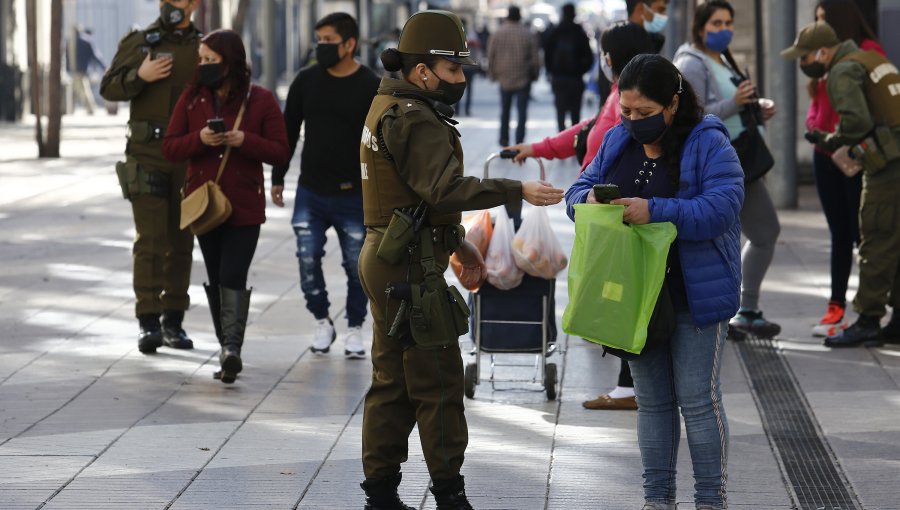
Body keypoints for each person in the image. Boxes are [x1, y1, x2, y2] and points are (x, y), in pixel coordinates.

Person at [358, 10, 564, 510]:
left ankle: (381, 493)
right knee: (440, 382)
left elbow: (418, 199)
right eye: (453, 70)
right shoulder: (412, 117)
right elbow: (444, 188)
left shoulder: (389, 104)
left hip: (389, 256)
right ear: (423, 70)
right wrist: (516, 189)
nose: (460, 79)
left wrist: (457, 242)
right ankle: (450, 496)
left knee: (392, 381)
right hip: (408, 266)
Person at [566, 54, 743, 510]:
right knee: (652, 401)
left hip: (692, 293)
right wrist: (591, 200)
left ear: (673, 103)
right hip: (635, 296)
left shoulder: (707, 140)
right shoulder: (617, 139)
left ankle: (710, 501)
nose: (632, 121)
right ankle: (657, 500)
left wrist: (656, 210)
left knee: (697, 400)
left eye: (644, 113)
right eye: (626, 111)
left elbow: (722, 208)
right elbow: (576, 191)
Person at [508, 23, 653, 412]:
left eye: (604, 52)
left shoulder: (632, 100)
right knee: (617, 292)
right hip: (600, 212)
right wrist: (534, 147)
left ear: (612, 57)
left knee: (623, 293)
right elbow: (583, 133)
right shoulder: (615, 97)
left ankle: (632, 386)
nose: (601, 59)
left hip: (620, 214)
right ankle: (631, 383)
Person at [162, 29, 289, 382]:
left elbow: (281, 150)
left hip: (245, 205)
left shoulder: (260, 100)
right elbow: (170, 147)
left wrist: (244, 140)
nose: (202, 65)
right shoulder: (191, 99)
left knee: (233, 275)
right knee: (217, 276)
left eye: (210, 60)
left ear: (230, 62)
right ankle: (226, 348)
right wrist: (199, 139)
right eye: (200, 59)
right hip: (205, 205)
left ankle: (231, 348)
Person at [783, 22, 900, 348]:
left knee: (875, 239)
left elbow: (857, 123)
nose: (804, 65)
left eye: (804, 58)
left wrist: (831, 140)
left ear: (823, 52)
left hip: (889, 167)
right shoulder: (871, 60)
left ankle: (868, 320)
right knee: (896, 238)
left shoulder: (841, 72)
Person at [271, 13, 380, 360]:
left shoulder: (370, 85)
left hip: (354, 193)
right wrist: (277, 176)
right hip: (311, 190)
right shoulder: (305, 81)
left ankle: (354, 328)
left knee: (356, 265)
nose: (321, 46)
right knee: (306, 257)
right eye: (318, 40)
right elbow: (288, 131)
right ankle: (322, 319)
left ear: (349, 44)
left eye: (328, 40)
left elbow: (382, 140)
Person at [674, 0, 781, 342]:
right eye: (716, 23)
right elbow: (694, 114)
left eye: (728, 22)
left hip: (742, 157)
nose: (724, 29)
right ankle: (741, 310)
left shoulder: (721, 57)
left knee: (742, 235)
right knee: (764, 232)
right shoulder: (691, 62)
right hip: (725, 164)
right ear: (700, 26)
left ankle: (738, 310)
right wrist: (736, 102)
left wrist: (755, 108)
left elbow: (730, 106)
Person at [100, 0, 201, 355]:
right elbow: (108, 87)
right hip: (147, 153)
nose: (171, 5)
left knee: (182, 240)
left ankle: (173, 319)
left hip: (188, 156)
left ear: (194, 4)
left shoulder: (205, 47)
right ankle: (148, 320)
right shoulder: (142, 42)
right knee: (150, 239)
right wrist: (138, 77)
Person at [805, 0, 885, 338]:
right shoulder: (824, 59)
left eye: (826, 19)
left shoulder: (867, 52)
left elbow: (871, 110)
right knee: (840, 234)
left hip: (857, 156)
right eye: (817, 19)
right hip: (826, 155)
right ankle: (836, 306)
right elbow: (817, 105)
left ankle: (870, 312)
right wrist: (813, 128)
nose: (821, 27)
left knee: (866, 236)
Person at [486, 6, 540, 146]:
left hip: (504, 77)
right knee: (522, 112)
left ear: (507, 16)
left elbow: (491, 55)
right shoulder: (527, 33)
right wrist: (534, 74)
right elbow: (535, 57)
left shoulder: (498, 33)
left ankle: (504, 139)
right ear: (520, 16)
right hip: (523, 77)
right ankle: (519, 140)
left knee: (505, 110)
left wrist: (492, 73)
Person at [543, 3, 593, 132]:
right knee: (575, 113)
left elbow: (547, 55)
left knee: (560, 112)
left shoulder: (554, 32)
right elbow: (589, 57)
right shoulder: (580, 33)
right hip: (576, 79)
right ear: (574, 15)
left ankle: (560, 141)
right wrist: (581, 71)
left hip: (558, 78)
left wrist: (551, 72)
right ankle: (574, 141)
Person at [69, 27, 105, 115]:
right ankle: (87, 108)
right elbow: (96, 56)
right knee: (80, 89)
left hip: (75, 70)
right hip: (83, 69)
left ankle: (90, 108)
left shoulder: (71, 42)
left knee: (81, 89)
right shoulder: (86, 41)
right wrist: (104, 66)